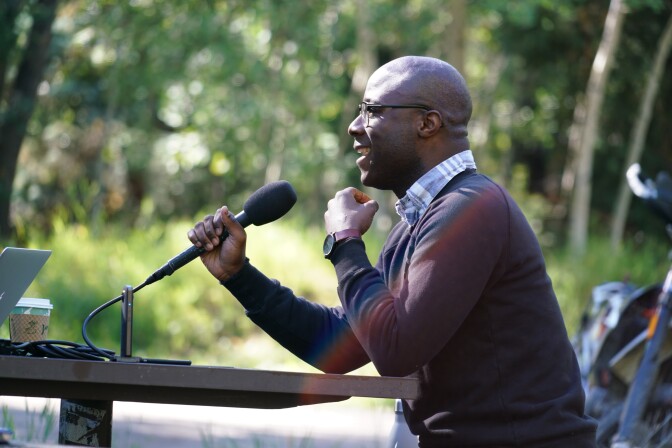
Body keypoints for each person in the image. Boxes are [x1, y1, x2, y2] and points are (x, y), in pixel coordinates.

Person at [188, 56, 597, 447]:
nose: (353, 126)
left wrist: (346, 242)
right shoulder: (422, 223)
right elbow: (342, 345)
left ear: (427, 123)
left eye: (372, 111)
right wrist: (238, 274)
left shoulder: (473, 208)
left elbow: (396, 351)